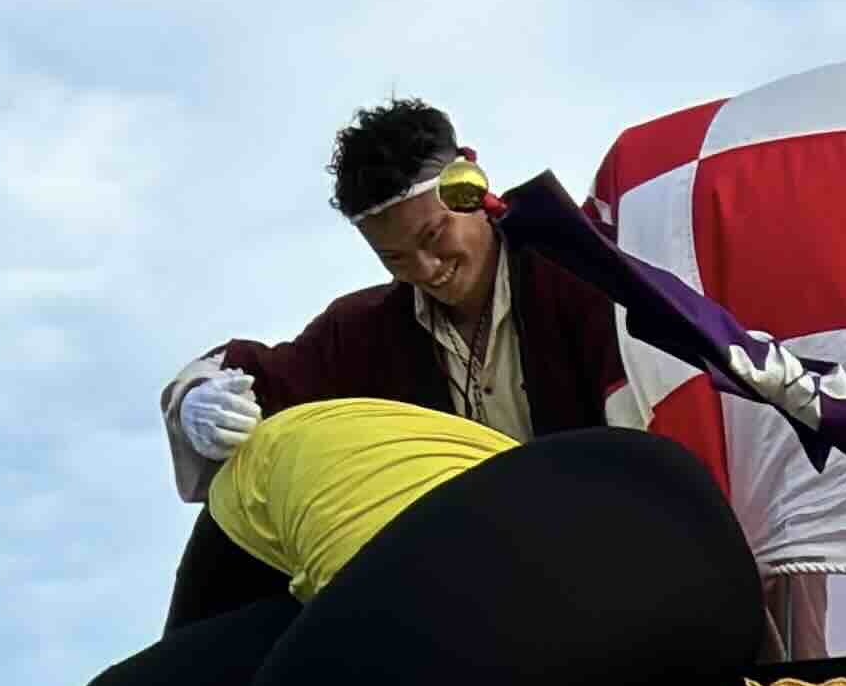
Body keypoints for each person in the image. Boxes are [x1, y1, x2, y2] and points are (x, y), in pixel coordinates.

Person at [156, 95, 629, 502]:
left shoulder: (582, 271)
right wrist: (198, 399)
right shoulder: (362, 334)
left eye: (434, 235)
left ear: (474, 189)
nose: (426, 269)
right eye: (395, 258)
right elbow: (261, 381)